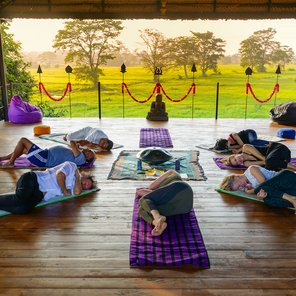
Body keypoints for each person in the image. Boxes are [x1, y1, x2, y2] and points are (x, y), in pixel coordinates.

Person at [0, 161, 96, 214]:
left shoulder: (75, 187)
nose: (85, 185)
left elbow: (78, 192)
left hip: (38, 194)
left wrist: (79, 179)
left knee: (24, 208)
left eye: (87, 187)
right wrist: (77, 174)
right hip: (32, 179)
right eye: (86, 182)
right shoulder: (72, 166)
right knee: (20, 199)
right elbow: (60, 175)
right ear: (85, 176)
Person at [136, 169, 193, 236]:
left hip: (180, 188)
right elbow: (147, 191)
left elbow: (151, 187)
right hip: (185, 207)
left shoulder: (172, 173)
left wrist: (166, 173)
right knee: (142, 209)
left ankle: (157, 217)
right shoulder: (165, 191)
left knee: (144, 200)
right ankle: (158, 224)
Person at [219, 165, 296, 211]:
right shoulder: (248, 186)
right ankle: (292, 199)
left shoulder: (251, 170)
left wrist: (252, 191)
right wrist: (261, 196)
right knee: (268, 200)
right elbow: (265, 191)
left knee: (261, 188)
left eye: (239, 186)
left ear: (236, 177)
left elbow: (264, 183)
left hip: (287, 178)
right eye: (239, 189)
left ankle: (291, 199)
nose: (241, 187)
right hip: (285, 189)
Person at [0, 137, 95, 168]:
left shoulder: (81, 159)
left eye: (90, 152)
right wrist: (78, 147)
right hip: (45, 155)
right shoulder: (79, 154)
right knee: (23, 150)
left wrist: (77, 144)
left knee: (23, 140)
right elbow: (73, 146)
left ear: (88, 157)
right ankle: (4, 158)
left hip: (44, 159)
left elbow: (71, 142)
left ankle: (11, 162)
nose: (89, 150)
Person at [221, 142, 296, 172]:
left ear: (235, 155)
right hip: (282, 159)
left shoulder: (246, 147)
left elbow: (263, 158)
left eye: (235, 159)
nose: (238, 161)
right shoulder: (246, 163)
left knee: (269, 161)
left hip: (279, 149)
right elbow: (263, 162)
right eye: (237, 163)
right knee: (268, 169)